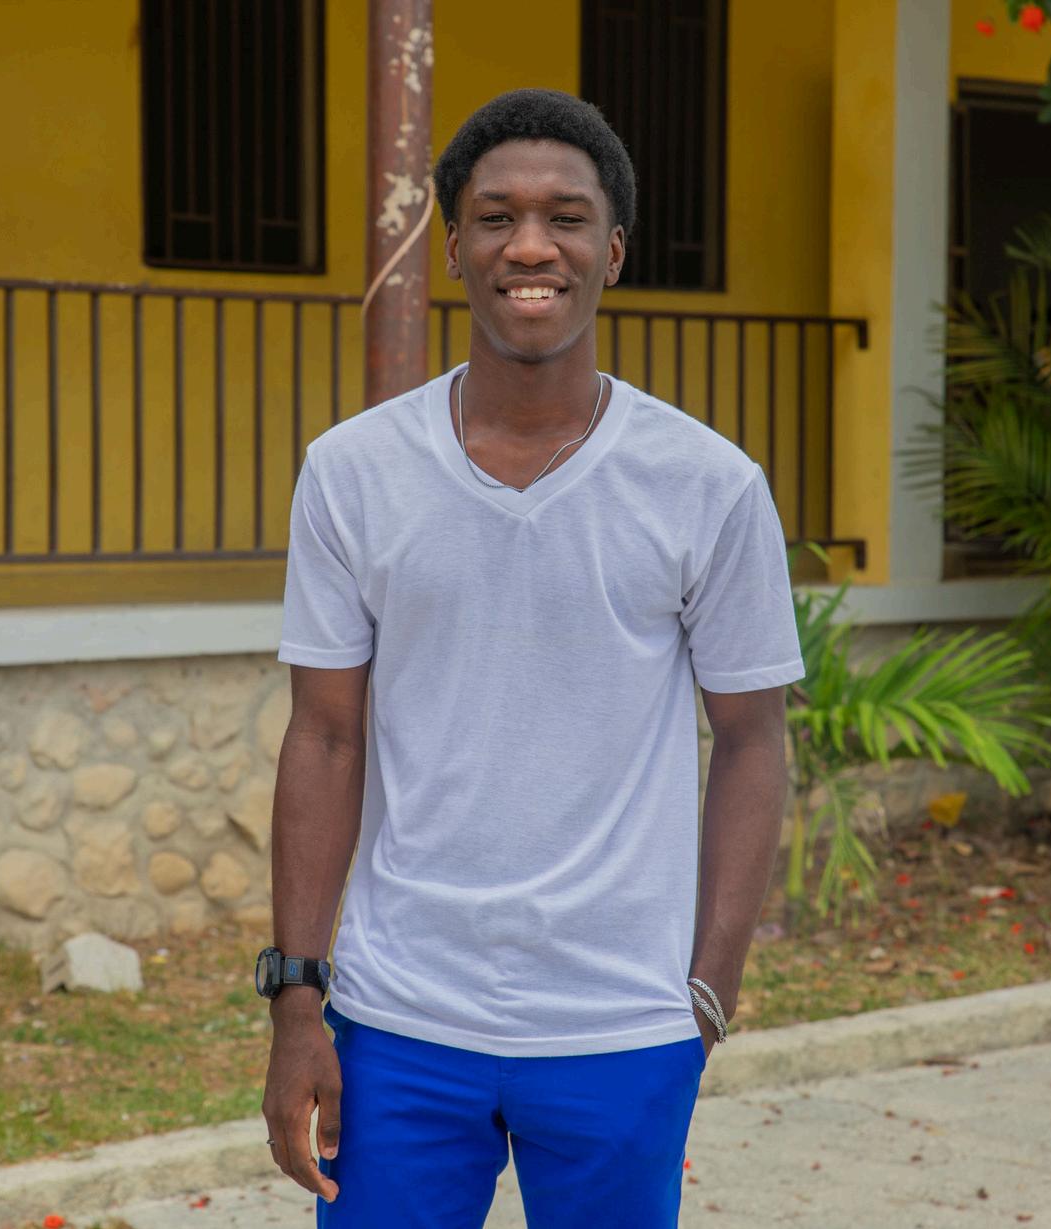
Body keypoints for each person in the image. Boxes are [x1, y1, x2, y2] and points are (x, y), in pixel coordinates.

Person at [260, 87, 805, 1228]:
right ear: (453, 246)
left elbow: (753, 740)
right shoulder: (353, 472)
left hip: (620, 1027)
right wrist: (297, 1003)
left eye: (565, 217)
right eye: (496, 216)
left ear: (612, 250)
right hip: (398, 1022)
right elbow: (324, 735)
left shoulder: (706, 484)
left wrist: (707, 992)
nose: (530, 245)